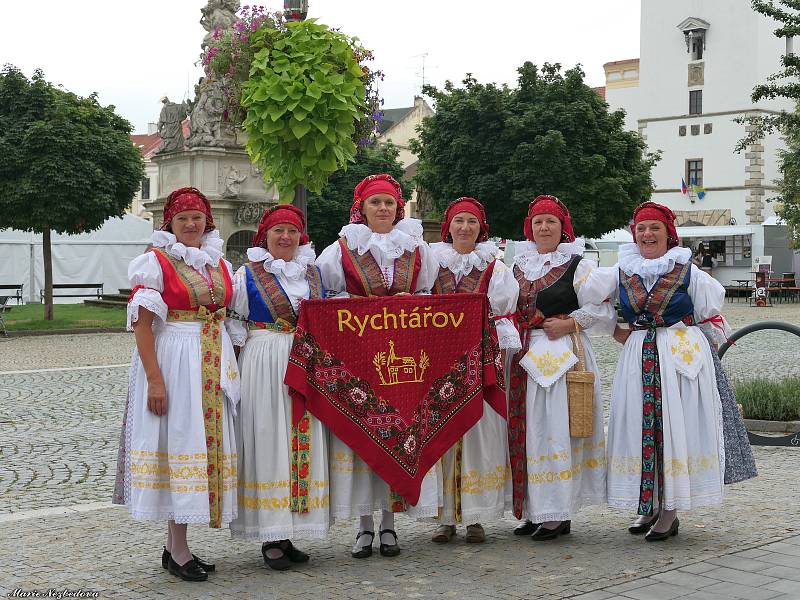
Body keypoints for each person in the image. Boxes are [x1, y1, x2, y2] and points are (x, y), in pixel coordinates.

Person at [113, 187, 240, 581]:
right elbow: (142, 323)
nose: (190, 224)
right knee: (178, 445)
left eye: (197, 218)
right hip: (175, 361)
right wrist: (155, 380)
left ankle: (176, 548)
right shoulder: (155, 262)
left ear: (208, 222)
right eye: (183, 218)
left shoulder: (218, 263)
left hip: (209, 360)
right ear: (170, 223)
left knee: (196, 447)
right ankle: (179, 550)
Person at [315, 173, 440, 558]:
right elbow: (327, 296)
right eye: (375, 203)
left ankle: (389, 524)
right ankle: (363, 526)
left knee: (397, 433)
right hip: (356, 354)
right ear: (362, 209)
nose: (382, 209)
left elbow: (428, 296)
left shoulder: (418, 248)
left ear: (398, 208)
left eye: (388, 203)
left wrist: (408, 304)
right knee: (360, 434)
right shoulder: (339, 250)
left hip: (403, 357)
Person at [591, 201, 728, 541]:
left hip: (677, 356)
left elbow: (710, 307)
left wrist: (688, 335)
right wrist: (614, 329)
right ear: (633, 234)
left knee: (672, 426)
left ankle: (670, 510)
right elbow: (590, 301)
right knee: (639, 424)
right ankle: (648, 503)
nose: (647, 234)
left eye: (655, 228)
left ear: (669, 235)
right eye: (641, 228)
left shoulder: (688, 270)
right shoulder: (621, 270)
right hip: (638, 356)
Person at [227, 205, 330, 569]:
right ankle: (270, 535)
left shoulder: (314, 274)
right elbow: (235, 325)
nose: (285, 238)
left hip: (305, 360)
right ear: (265, 236)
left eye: (291, 231)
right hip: (264, 358)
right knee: (269, 438)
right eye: (277, 231)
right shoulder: (247, 274)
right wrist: (236, 373)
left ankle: (289, 529)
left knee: (300, 439)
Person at [508, 195, 613, 541]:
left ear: (562, 227)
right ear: (530, 227)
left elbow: (602, 310)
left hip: (562, 355)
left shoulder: (577, 265)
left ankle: (558, 512)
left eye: (551, 221)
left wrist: (569, 325)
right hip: (525, 356)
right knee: (528, 431)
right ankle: (534, 509)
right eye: (538, 222)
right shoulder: (518, 267)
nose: (544, 227)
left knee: (556, 430)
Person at [428, 198, 521, 544]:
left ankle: (476, 516)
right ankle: (445, 517)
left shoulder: (495, 269)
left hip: (480, 361)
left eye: (471, 222)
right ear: (448, 227)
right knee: (444, 437)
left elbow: (503, 314)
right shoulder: (431, 265)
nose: (465, 227)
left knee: (478, 434)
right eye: (458, 221)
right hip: (439, 362)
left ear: (481, 228)